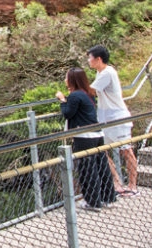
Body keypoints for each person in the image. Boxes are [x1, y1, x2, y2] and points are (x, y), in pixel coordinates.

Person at [56, 67, 116, 209]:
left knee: (87, 169)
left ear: (72, 80)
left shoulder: (75, 96)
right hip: (97, 133)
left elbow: (68, 113)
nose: (65, 80)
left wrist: (63, 100)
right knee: (101, 166)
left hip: (84, 136)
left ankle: (92, 201)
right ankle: (107, 197)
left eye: (66, 77)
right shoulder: (87, 93)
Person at [86, 44, 139, 195]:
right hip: (105, 119)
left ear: (98, 59)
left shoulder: (107, 73)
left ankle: (132, 186)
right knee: (102, 151)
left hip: (117, 118)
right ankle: (117, 182)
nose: (89, 61)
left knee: (126, 151)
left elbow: (92, 91)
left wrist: (75, 85)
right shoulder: (100, 73)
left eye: (90, 58)